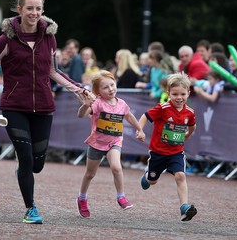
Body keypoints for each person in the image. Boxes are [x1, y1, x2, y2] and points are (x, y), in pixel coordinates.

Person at [0, 0, 95, 224]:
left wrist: (78, 90)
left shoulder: (48, 36)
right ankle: (31, 209)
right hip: (14, 106)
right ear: (19, 9)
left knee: (36, 164)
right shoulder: (5, 39)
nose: (35, 13)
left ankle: (24, 169)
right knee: (26, 159)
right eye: (30, 8)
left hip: (44, 108)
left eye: (38, 8)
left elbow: (54, 71)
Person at [76, 70, 145, 218]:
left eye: (112, 85)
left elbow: (129, 116)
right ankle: (82, 198)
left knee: (116, 167)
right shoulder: (98, 104)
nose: (111, 89)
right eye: (105, 87)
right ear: (97, 91)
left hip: (114, 141)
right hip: (97, 142)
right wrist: (85, 105)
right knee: (90, 174)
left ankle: (121, 196)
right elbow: (81, 115)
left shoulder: (122, 104)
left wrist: (139, 129)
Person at [138, 72, 197, 222]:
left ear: (188, 93)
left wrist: (187, 136)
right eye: (175, 94)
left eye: (183, 94)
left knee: (180, 176)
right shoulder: (162, 108)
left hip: (176, 152)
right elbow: (145, 116)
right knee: (152, 181)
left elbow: (192, 126)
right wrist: (140, 130)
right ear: (168, 93)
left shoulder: (189, 112)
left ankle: (184, 207)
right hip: (158, 152)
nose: (179, 97)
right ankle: (147, 177)